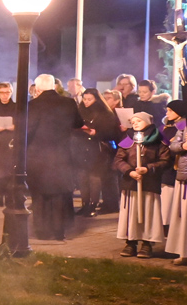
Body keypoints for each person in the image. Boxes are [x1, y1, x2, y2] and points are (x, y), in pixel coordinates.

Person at [27, 74, 84, 241]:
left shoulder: (33, 105)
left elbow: (28, 131)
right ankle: (59, 231)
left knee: (40, 196)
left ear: (37, 88)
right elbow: (78, 123)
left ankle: (42, 231)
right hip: (62, 155)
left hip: (39, 157)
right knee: (60, 195)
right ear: (54, 86)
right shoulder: (68, 103)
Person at [115, 112, 172, 258]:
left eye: (138, 121)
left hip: (149, 183)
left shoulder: (159, 140)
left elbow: (165, 161)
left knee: (148, 213)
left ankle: (147, 243)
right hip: (130, 183)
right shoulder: (128, 139)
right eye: (133, 121)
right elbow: (118, 160)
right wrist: (129, 171)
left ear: (147, 121)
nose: (135, 124)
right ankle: (131, 242)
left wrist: (148, 168)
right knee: (131, 214)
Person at [75, 88, 122, 217]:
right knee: (82, 176)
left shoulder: (105, 113)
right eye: (84, 99)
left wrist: (96, 132)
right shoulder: (80, 111)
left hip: (98, 149)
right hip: (82, 148)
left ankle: (92, 204)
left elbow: (111, 132)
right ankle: (85, 204)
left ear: (96, 99)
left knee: (94, 177)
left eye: (89, 99)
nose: (86, 102)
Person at [165, 102, 187, 264]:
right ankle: (182, 251)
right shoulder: (183, 126)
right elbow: (173, 145)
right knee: (182, 215)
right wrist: (183, 145)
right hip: (184, 175)